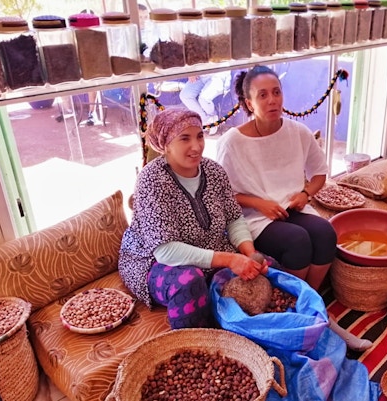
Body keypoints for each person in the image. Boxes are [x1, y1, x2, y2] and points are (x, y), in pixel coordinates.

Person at [216, 64, 372, 351]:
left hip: (293, 208)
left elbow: (319, 175)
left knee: (325, 232)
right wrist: (259, 203)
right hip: (254, 218)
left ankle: (309, 304)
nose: (272, 100)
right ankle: (307, 312)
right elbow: (223, 193)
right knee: (299, 242)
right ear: (249, 103)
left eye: (276, 92)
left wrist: (305, 193)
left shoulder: (297, 132)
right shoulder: (232, 142)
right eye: (262, 95)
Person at [117, 108, 268, 329]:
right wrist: (230, 260)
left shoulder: (214, 171)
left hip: (210, 246)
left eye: (199, 136)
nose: (196, 146)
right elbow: (165, 251)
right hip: (151, 260)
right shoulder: (151, 181)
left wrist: (249, 254)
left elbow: (234, 219)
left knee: (267, 265)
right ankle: (194, 348)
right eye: (184, 138)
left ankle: (252, 339)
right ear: (166, 144)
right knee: (189, 282)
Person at [179, 71, 231, 135]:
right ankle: (206, 120)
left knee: (203, 99)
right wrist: (191, 72)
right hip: (200, 75)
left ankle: (213, 118)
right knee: (185, 95)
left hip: (217, 75)